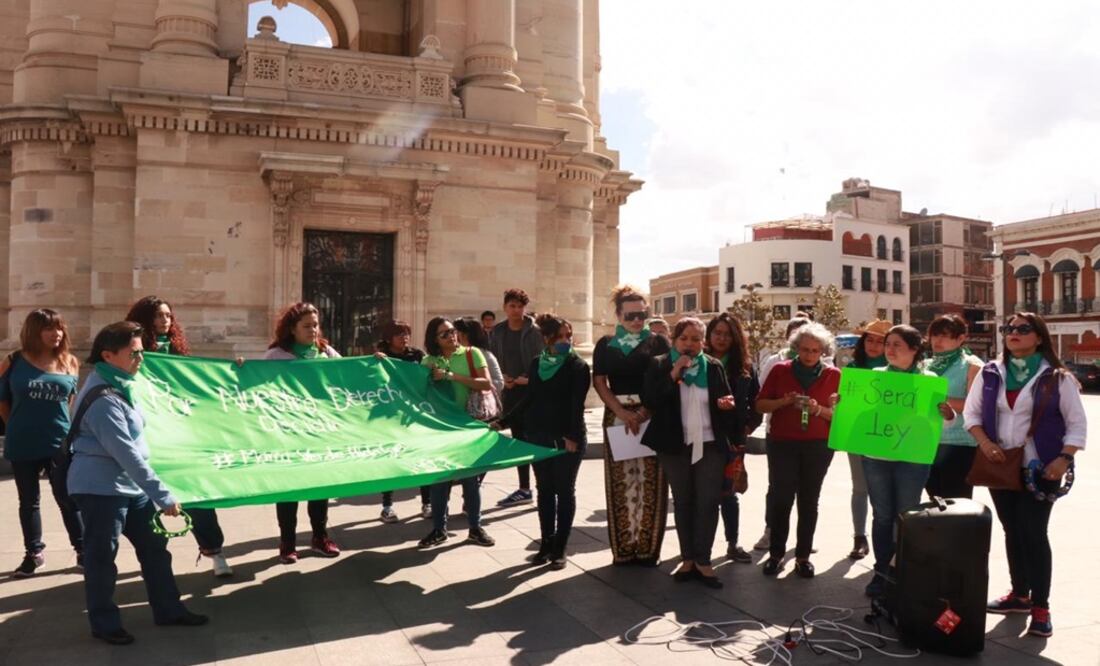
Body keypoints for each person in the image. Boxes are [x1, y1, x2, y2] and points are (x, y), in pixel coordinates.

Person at [68, 322, 208, 645]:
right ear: (108, 355)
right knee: (102, 557)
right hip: (101, 490)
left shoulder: (123, 384)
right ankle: (104, 624)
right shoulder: (103, 398)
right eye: (134, 353)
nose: (141, 359)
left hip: (130, 488)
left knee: (155, 550)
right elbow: (127, 454)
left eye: (142, 351)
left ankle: (169, 609)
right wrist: (163, 495)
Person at [964, 312, 1087, 638]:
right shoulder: (991, 373)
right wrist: (985, 443)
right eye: (1009, 329)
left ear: (1039, 337)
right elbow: (971, 414)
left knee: (1033, 533)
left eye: (1023, 329)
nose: (1014, 333)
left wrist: (1064, 458)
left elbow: (1076, 423)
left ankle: (1041, 607)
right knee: (1011, 531)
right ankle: (1019, 594)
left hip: (1042, 467)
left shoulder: (1057, 378)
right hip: (1000, 464)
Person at [125, 296, 233, 578]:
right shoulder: (133, 352)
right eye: (158, 316)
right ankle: (154, 559)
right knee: (148, 501)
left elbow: (198, 382)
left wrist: (235, 368)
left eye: (168, 316)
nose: (164, 321)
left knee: (198, 494)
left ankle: (215, 551)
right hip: (148, 436)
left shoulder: (177, 352)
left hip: (180, 434)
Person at [642, 317, 738, 588]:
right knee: (683, 501)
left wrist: (726, 405)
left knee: (708, 501)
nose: (690, 344)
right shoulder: (660, 364)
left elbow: (726, 405)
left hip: (709, 444)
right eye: (684, 338)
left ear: (703, 342)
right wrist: (674, 373)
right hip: (674, 445)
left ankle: (703, 561)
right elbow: (651, 400)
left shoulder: (714, 366)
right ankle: (687, 560)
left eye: (696, 339)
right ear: (675, 340)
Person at [861, 325, 955, 598]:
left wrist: (948, 415)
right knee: (882, 516)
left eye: (896, 345)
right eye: (887, 344)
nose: (889, 350)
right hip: (876, 457)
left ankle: (902, 570)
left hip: (913, 459)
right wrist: (842, 404)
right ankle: (880, 572)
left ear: (914, 350)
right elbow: (859, 416)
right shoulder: (875, 377)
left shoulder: (929, 379)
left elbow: (941, 426)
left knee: (906, 516)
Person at [496, 314, 591, 569]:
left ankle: (561, 547)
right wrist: (503, 421)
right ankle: (546, 544)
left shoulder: (577, 366)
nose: (565, 341)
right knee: (545, 491)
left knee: (564, 490)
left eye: (568, 336)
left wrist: (571, 436)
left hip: (566, 438)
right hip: (538, 434)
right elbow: (530, 398)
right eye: (559, 336)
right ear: (546, 338)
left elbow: (576, 405)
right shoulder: (538, 363)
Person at [0, 309, 83, 577]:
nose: (56, 333)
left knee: (67, 498)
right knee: (28, 501)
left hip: (58, 441)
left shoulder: (70, 362)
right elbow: (2, 401)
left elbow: (68, 403)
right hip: (22, 440)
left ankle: (83, 551)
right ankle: (34, 554)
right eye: (49, 328)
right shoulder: (13, 361)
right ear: (34, 331)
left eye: (59, 328)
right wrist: (17, 423)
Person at [592, 285, 671, 566]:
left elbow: (665, 380)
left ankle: (648, 549)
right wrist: (622, 413)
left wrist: (645, 411)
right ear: (618, 315)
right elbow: (599, 381)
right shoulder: (605, 345)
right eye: (631, 316)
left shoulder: (659, 343)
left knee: (651, 481)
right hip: (617, 415)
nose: (637, 321)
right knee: (621, 481)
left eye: (642, 314)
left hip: (652, 414)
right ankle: (624, 548)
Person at [755, 322, 841, 578]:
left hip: (818, 444)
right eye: (804, 349)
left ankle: (802, 556)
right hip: (782, 442)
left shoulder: (834, 375)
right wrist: (784, 401)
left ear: (823, 351)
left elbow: (840, 417)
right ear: (795, 348)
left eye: (815, 350)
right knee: (781, 498)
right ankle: (776, 554)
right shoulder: (781, 370)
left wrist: (818, 409)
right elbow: (760, 405)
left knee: (809, 500)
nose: (809, 355)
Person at [263, 303, 341, 564]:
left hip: (321, 431)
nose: (313, 330)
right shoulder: (276, 356)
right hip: (289, 432)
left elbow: (349, 373)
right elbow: (258, 387)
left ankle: (320, 536)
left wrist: (372, 363)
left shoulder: (326, 352)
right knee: (289, 488)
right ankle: (288, 542)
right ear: (292, 329)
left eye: (316, 325)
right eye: (307, 326)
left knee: (319, 485)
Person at [418, 317, 496, 548]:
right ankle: (439, 529)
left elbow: (486, 383)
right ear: (434, 339)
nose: (451, 336)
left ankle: (475, 528)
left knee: (471, 480)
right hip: (440, 428)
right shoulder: (428, 361)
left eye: (452, 331)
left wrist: (451, 376)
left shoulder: (472, 354)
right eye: (444, 334)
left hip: (467, 424)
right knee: (440, 481)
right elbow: (416, 390)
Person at [753, 313, 815, 552]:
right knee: (777, 488)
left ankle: (804, 539)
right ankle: (771, 531)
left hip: (812, 437)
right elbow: (762, 394)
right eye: (797, 333)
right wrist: (783, 401)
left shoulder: (826, 364)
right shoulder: (775, 362)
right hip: (779, 435)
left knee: (807, 492)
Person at [705, 313, 761, 563]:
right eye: (717, 333)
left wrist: (748, 426)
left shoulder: (745, 367)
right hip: (703, 436)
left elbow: (756, 401)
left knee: (729, 492)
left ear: (735, 337)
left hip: (732, 439)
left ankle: (732, 542)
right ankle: (699, 547)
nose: (721, 338)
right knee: (705, 494)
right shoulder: (699, 363)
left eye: (727, 334)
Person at [839, 318, 890, 560]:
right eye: (870, 339)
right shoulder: (851, 370)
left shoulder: (900, 371)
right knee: (860, 488)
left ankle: (890, 538)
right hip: (858, 436)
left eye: (881, 341)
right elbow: (843, 404)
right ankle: (859, 537)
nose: (874, 345)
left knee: (886, 491)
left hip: (890, 437)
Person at [489, 289, 544, 507]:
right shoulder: (497, 332)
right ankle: (524, 488)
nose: (516, 310)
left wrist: (526, 379)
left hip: (532, 391)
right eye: (512, 306)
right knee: (519, 439)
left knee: (536, 439)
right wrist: (503, 378)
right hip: (509, 391)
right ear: (505, 307)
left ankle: (542, 487)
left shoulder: (535, 331)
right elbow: (493, 359)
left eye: (520, 306)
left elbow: (542, 360)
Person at [373, 320, 432, 522]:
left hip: (414, 413)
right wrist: (376, 361)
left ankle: (427, 502)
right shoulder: (381, 356)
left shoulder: (416, 355)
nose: (404, 338)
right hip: (390, 414)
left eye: (406, 333)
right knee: (391, 458)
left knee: (422, 456)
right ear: (389, 338)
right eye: (399, 334)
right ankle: (387, 506)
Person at [924, 314, 982, 499]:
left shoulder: (972, 366)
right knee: (934, 502)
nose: (938, 341)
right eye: (934, 335)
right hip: (925, 441)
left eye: (945, 336)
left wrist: (939, 399)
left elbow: (975, 406)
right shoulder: (924, 365)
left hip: (959, 443)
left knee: (957, 503)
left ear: (961, 338)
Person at [454, 317, 505, 395]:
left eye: (455, 332)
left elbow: (499, 383)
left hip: (479, 402)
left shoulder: (483, 354)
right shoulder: (456, 353)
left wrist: (474, 383)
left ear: (465, 335)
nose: (452, 336)